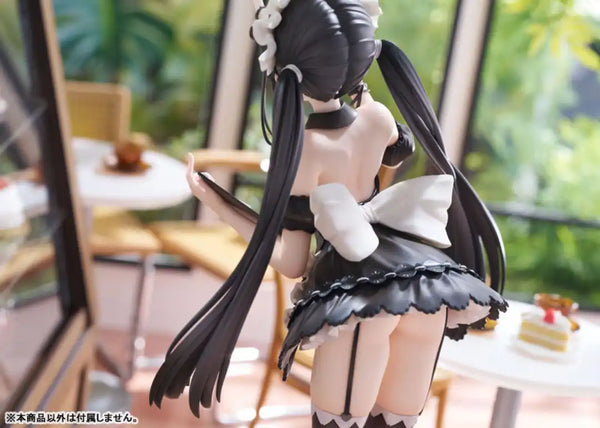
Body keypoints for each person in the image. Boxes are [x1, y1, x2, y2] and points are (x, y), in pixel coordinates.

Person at [149, 1, 508, 427]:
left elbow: (292, 261)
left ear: (285, 74)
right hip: (426, 289)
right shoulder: (378, 116)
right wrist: (359, 90)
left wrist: (216, 201)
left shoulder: (309, 152)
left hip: (360, 302)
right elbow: (393, 150)